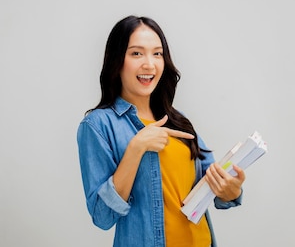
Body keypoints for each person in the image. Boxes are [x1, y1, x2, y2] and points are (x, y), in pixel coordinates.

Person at [77, 15, 245, 247]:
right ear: (117, 61)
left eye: (157, 53)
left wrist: (231, 190)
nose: (149, 64)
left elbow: (214, 186)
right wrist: (136, 148)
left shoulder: (179, 121)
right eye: (136, 53)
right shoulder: (98, 126)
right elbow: (102, 216)